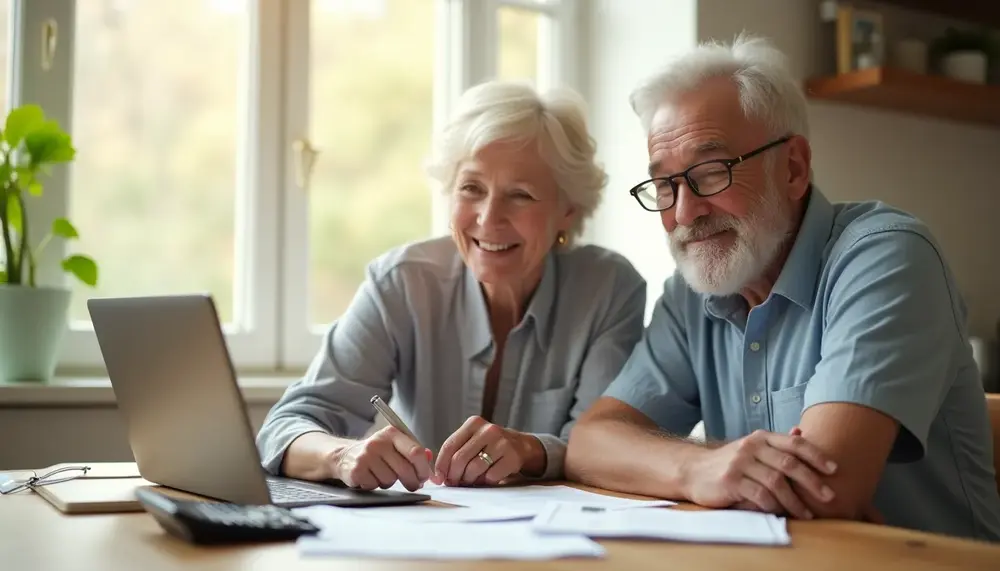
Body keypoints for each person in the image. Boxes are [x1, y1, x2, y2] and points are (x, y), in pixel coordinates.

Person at [564, 34, 1000, 542]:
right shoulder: (690, 297)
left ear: (793, 168)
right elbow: (591, 442)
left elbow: (824, 491)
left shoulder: (886, 257)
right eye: (666, 186)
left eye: (711, 172)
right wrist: (698, 468)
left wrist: (686, 462)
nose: (684, 214)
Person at [256, 80, 646, 493]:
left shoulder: (609, 290)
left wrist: (529, 450)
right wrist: (341, 456)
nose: (488, 218)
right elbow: (285, 426)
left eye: (520, 194)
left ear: (567, 210)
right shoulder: (402, 282)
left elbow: (606, 450)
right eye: (471, 188)